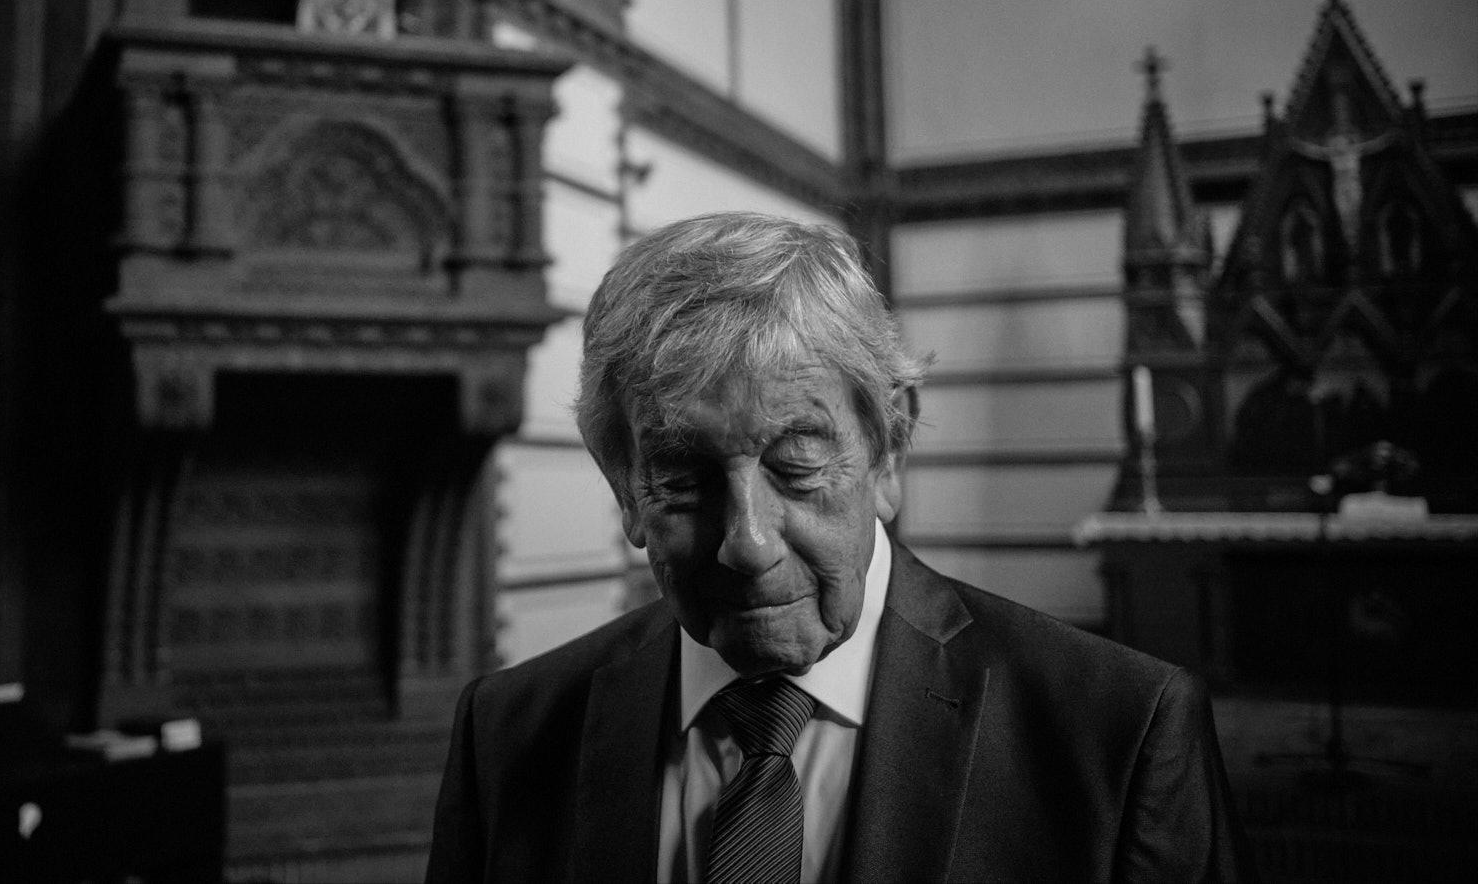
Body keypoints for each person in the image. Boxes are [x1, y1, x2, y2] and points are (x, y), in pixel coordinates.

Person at [426, 211, 1251, 883]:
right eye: (682, 478)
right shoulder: (507, 735)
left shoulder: (1121, 734)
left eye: (796, 465)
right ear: (622, 484)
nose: (748, 544)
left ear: (888, 450)